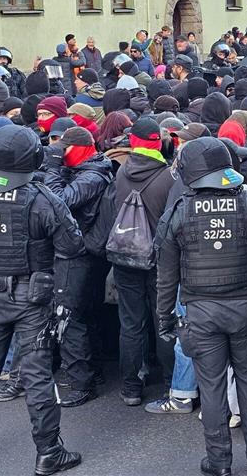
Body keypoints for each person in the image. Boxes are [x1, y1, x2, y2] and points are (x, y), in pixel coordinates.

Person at [0, 124, 83, 474]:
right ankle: (48, 453)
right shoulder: (41, 198)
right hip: (32, 297)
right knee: (37, 375)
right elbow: (73, 245)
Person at [155, 137, 247, 476]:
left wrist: (164, 317)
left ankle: (219, 462)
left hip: (200, 312)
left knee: (210, 386)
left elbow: (166, 276)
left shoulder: (178, 213)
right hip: (245, 307)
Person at [40, 126, 114, 407]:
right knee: (84, 312)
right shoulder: (91, 170)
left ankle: (82, 382)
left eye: (64, 148)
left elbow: (59, 202)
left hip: (79, 254)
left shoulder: (92, 175)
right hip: (85, 250)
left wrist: (53, 167)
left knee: (69, 315)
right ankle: (91, 372)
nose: (60, 153)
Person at [110, 116, 177, 406]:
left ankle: (130, 387)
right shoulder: (168, 177)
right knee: (163, 321)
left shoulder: (121, 172)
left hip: (125, 257)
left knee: (130, 324)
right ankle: (171, 383)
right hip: (159, 261)